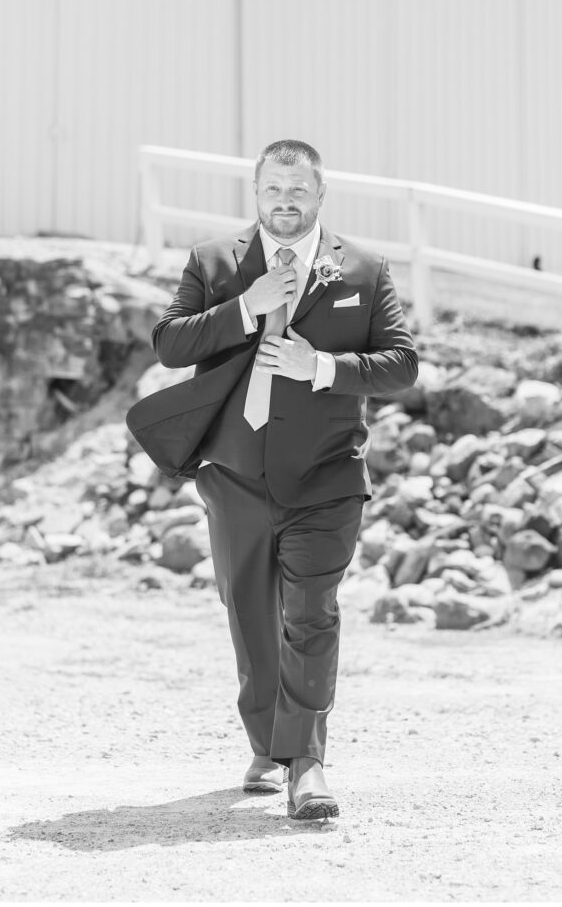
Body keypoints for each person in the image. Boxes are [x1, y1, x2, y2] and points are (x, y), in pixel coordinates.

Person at [152, 139, 418, 820]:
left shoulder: (362, 269)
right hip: (234, 478)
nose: (285, 203)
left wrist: (323, 368)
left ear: (320, 195)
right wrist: (244, 308)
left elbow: (400, 365)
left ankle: (306, 765)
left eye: (298, 191)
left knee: (310, 614)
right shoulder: (214, 263)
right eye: (274, 190)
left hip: (326, 477)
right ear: (257, 193)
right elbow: (170, 343)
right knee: (251, 621)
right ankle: (267, 745)